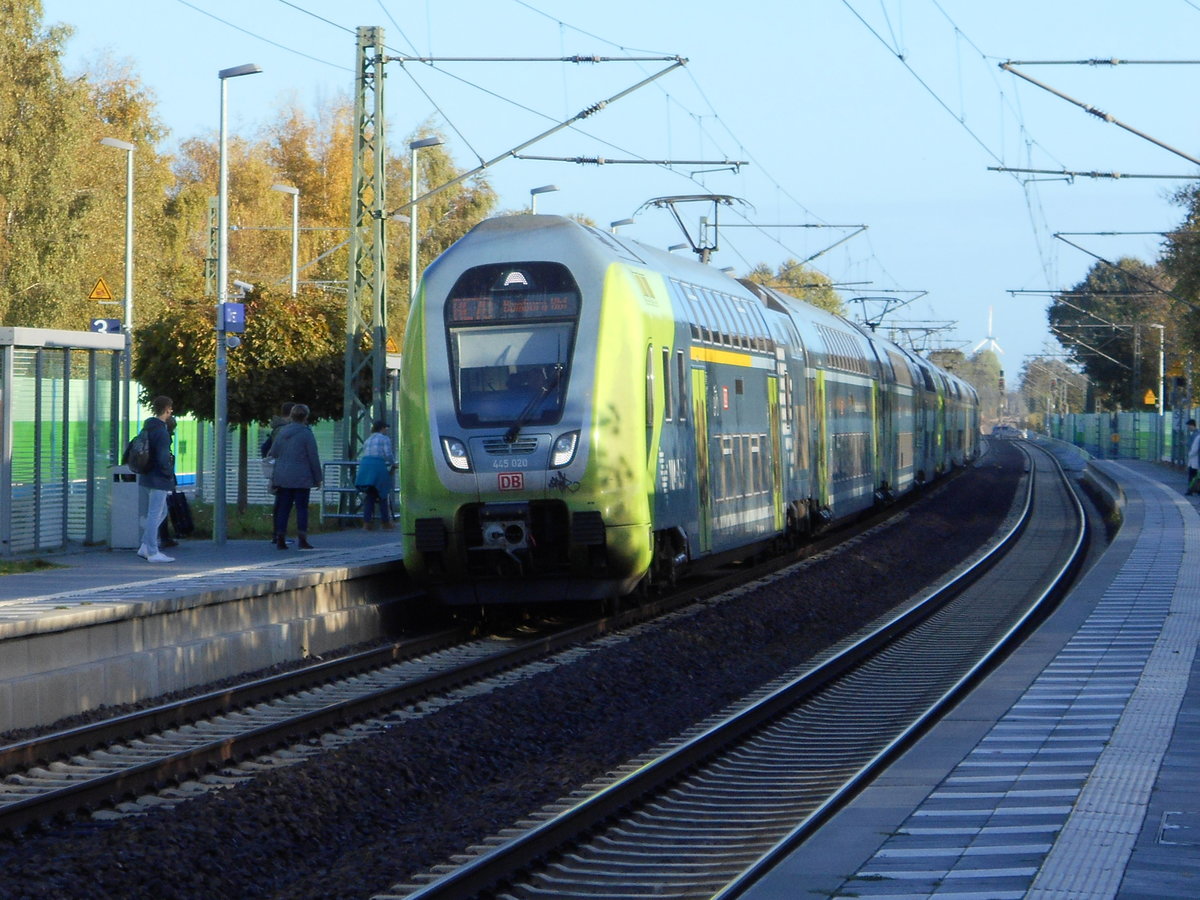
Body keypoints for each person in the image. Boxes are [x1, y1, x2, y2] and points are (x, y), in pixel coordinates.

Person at [267, 402, 322, 550]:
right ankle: (302, 539)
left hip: (283, 476)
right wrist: (318, 478)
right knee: (302, 508)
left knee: (283, 508)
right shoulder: (306, 433)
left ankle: (280, 538)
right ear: (306, 417)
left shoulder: (282, 432)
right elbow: (313, 456)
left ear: (291, 415)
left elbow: (273, 453)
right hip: (302, 477)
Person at [138, 395, 176, 563]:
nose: (171, 411)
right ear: (167, 409)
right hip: (159, 479)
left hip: (146, 475)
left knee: (161, 512)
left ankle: (145, 545)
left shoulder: (147, 428)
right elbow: (162, 459)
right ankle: (152, 551)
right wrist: (168, 475)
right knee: (155, 514)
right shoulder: (162, 432)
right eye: (171, 408)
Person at [261, 401, 295, 542]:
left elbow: (265, 448)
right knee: (284, 503)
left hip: (278, 469)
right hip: (284, 469)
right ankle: (279, 534)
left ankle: (277, 534)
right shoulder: (284, 429)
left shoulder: (277, 428)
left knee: (280, 502)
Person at [355, 420, 396, 530]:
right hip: (377, 466)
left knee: (370, 495)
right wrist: (394, 463)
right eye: (385, 428)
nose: (386, 430)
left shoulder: (368, 440)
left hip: (365, 466)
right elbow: (388, 454)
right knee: (383, 494)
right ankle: (385, 522)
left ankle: (367, 523)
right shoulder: (384, 439)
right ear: (382, 428)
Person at [158, 415, 179, 549]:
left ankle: (161, 537)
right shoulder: (163, 436)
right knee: (160, 510)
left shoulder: (150, 434)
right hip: (159, 478)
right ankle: (162, 538)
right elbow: (163, 459)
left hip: (152, 477)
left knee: (159, 510)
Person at [1187, 419, 1200, 495]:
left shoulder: (1197, 436)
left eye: (1189, 426)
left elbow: (1194, 449)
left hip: (1195, 460)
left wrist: (1189, 456)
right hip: (1196, 460)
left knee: (1192, 476)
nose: (1188, 428)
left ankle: (1191, 490)